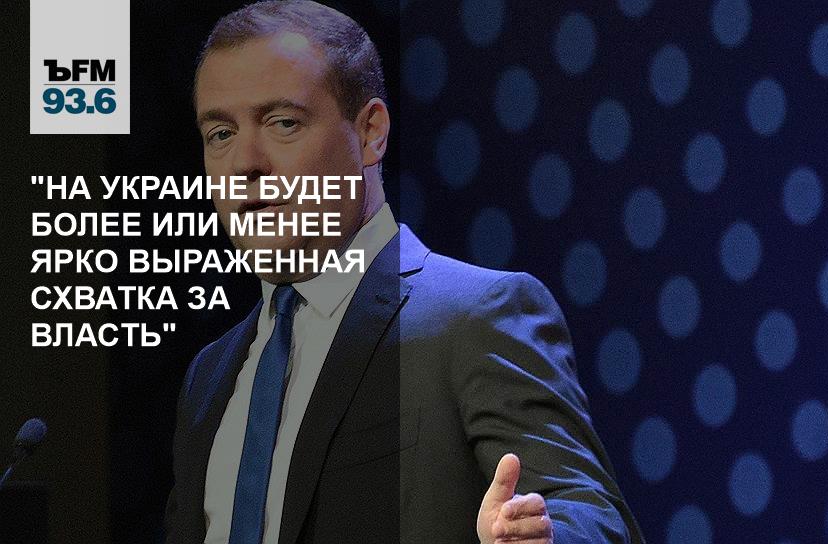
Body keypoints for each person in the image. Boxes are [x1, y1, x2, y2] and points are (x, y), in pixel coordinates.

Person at [165, 1, 643, 543]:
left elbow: (590, 514)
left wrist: (544, 538)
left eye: (283, 123)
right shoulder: (209, 376)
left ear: (370, 132)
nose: (244, 163)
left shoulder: (474, 317)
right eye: (220, 134)